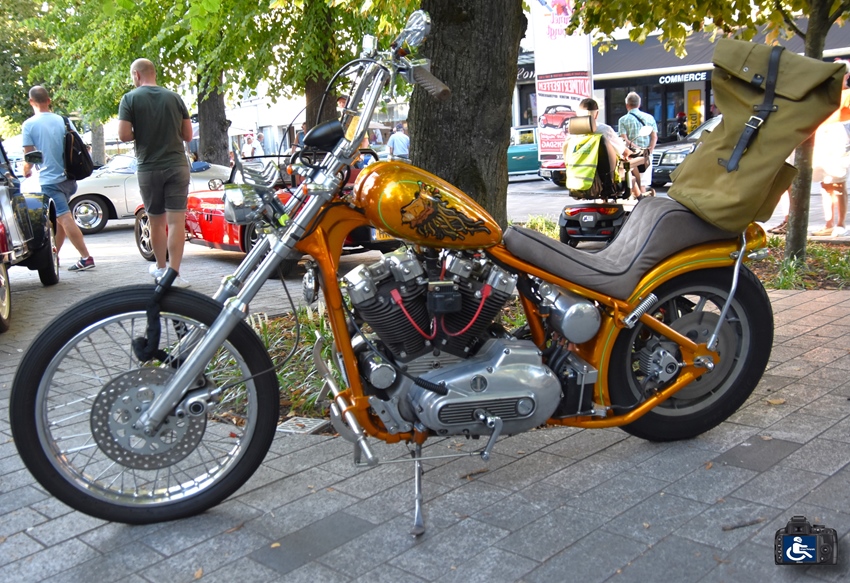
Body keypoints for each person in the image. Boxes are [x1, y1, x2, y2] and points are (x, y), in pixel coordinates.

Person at [118, 58, 193, 288]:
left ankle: (161, 269)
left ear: (136, 75)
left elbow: (123, 135)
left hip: (149, 168)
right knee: (176, 222)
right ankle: (175, 274)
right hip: (177, 166)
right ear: (154, 73)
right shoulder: (175, 97)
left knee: (156, 221)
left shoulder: (130, 99)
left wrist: (142, 131)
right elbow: (188, 135)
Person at [22, 86, 95, 272]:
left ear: (31, 102)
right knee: (59, 219)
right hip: (69, 179)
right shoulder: (64, 120)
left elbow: (30, 156)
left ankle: (86, 257)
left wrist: (26, 170)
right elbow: (78, 145)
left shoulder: (29, 125)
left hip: (50, 180)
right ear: (49, 100)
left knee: (64, 217)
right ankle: (55, 255)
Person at [618, 92, 658, 196]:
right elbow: (654, 137)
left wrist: (635, 148)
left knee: (631, 182)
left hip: (630, 156)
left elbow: (624, 139)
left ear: (627, 105)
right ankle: (642, 203)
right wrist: (649, 151)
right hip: (646, 155)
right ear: (639, 104)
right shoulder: (649, 118)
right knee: (642, 184)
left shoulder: (623, 120)